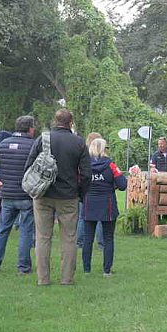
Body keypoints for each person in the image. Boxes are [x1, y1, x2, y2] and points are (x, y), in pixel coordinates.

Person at [25, 109, 91, 286]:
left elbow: (29, 165)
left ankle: (43, 279)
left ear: (55, 121)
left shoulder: (42, 139)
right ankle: (66, 279)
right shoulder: (79, 142)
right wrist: (79, 193)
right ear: (71, 122)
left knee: (42, 237)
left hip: (43, 194)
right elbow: (86, 174)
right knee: (69, 238)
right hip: (68, 196)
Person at [0, 117, 36, 274]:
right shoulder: (33, 145)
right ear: (30, 128)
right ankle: (23, 267)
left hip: (7, 195)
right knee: (26, 231)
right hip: (26, 195)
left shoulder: (4, 144)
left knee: (3, 230)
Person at [81, 138, 127, 276]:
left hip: (89, 204)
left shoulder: (85, 165)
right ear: (104, 149)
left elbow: (79, 182)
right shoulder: (111, 165)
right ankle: (106, 270)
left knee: (88, 238)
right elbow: (123, 185)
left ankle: (86, 270)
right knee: (108, 238)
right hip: (107, 205)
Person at [77, 132, 105, 251]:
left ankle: (80, 242)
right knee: (100, 218)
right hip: (100, 192)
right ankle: (101, 244)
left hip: (86, 191)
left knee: (82, 217)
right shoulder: (103, 158)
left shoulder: (83, 155)